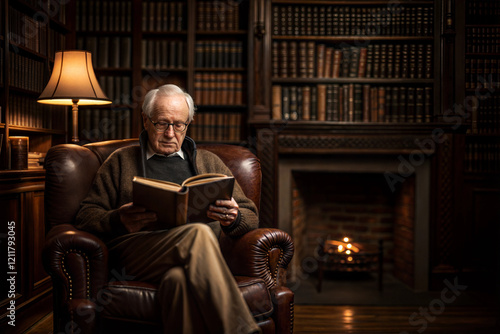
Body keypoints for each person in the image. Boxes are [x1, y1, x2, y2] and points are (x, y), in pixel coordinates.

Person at [75, 84, 261, 334]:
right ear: (146, 121)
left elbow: (251, 216)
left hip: (193, 261)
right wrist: (118, 219)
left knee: (178, 282)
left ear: (188, 124)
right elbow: (86, 215)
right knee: (199, 233)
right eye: (162, 123)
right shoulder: (120, 160)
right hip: (137, 255)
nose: (170, 133)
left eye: (179, 124)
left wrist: (234, 217)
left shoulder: (209, 163)